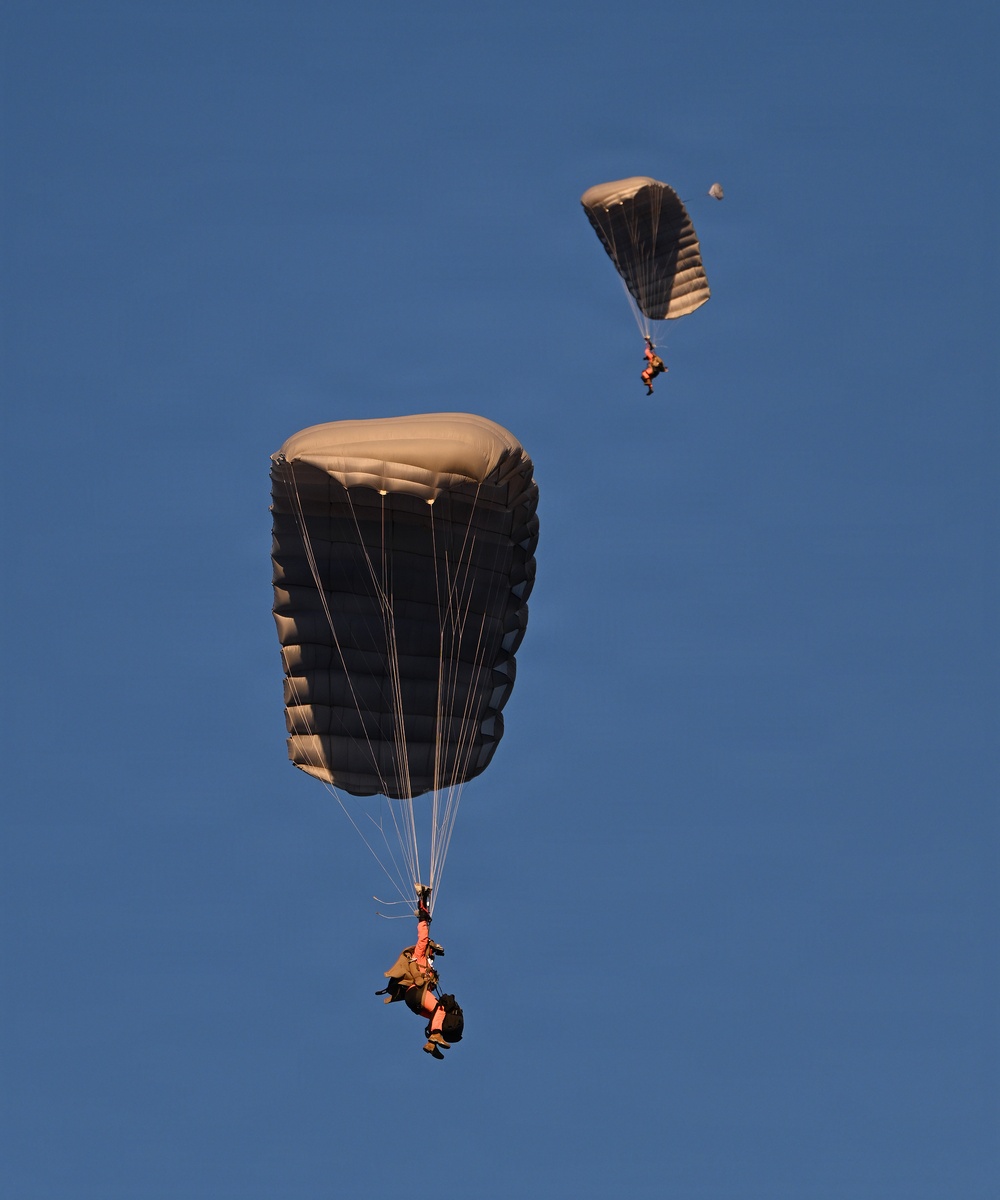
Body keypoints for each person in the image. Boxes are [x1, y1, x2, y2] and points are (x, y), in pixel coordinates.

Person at [378, 885, 462, 1059]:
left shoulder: (427, 965)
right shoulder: (419, 956)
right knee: (440, 1007)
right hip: (415, 993)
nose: (433, 953)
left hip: (415, 1000)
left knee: (438, 1013)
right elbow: (422, 939)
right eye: (432, 950)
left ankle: (431, 1043)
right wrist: (423, 920)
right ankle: (435, 1036)